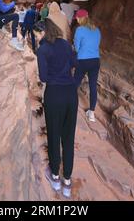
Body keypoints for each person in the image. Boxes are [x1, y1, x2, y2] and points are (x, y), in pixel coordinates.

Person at [35, 19, 78, 198]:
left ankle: (54, 177)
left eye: (38, 33)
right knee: (68, 139)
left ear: (43, 32)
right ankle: (67, 182)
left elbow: (44, 77)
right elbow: (75, 63)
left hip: (54, 95)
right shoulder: (66, 45)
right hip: (71, 94)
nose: (38, 36)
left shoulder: (43, 49)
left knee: (54, 136)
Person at [73, 9, 101, 122]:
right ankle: (92, 114)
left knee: (75, 84)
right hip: (95, 61)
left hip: (83, 60)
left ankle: (70, 108)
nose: (77, 20)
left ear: (81, 18)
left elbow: (77, 48)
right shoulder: (97, 30)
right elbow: (97, 45)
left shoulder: (79, 30)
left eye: (77, 18)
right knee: (93, 86)